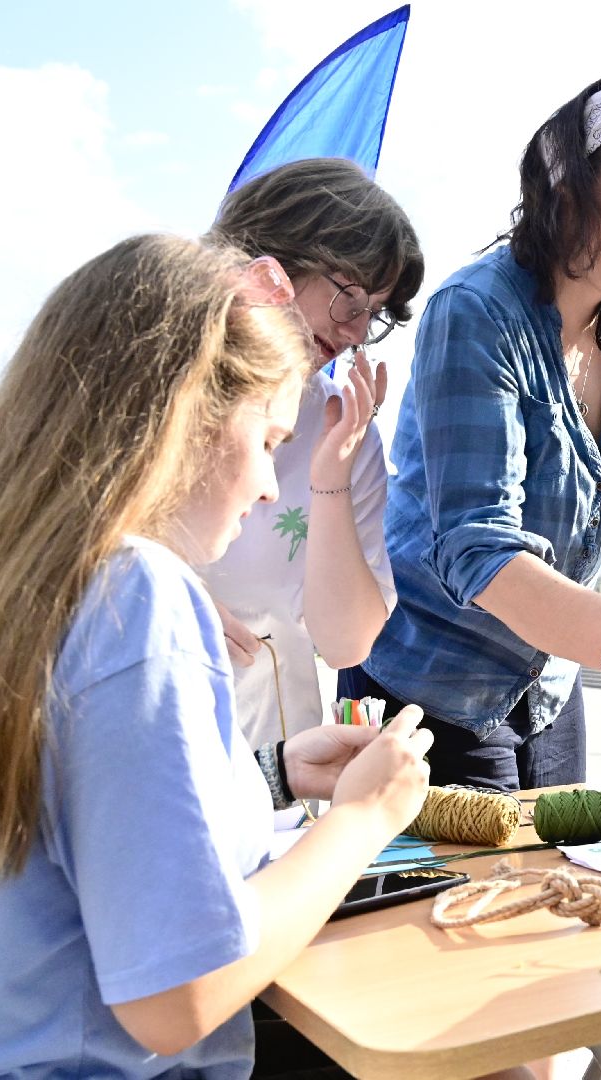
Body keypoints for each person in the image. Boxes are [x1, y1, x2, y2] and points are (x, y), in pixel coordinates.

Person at [0, 235, 432, 1076]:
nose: (273, 486)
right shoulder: (138, 597)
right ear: (186, 410)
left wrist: (267, 775)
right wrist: (361, 819)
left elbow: (54, 838)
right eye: (270, 441)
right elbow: (178, 997)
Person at [341, 75, 601, 791]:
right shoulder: (475, 313)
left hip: (549, 691)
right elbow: (479, 549)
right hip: (429, 691)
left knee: (567, 897)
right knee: (447, 906)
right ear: (565, 185)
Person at [202, 157, 425, 749]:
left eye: (372, 315)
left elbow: (346, 644)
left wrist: (331, 477)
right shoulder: (145, 376)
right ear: (275, 258)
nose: (354, 332)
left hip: (274, 766)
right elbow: (42, 555)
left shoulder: (343, 429)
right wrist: (167, 603)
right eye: (348, 299)